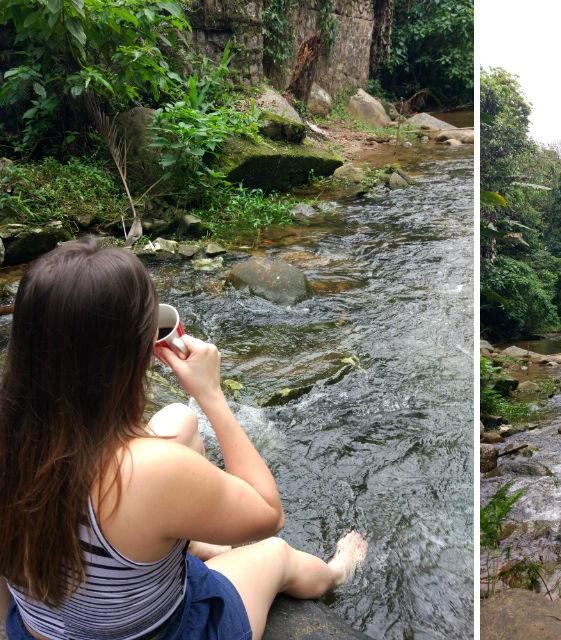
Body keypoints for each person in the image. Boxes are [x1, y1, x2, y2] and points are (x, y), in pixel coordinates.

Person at [0, 238, 367, 640]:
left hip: (38, 628)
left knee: (178, 419)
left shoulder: (15, 434)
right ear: (134, 353)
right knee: (276, 555)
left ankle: (184, 547)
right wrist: (211, 394)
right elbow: (268, 517)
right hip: (165, 631)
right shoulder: (147, 471)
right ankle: (336, 574)